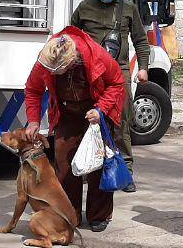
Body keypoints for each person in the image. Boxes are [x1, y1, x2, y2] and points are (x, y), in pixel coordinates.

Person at [23, 27, 128, 232]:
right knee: (64, 166)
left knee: (98, 165)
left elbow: (117, 83)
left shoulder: (96, 55)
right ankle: (70, 214)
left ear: (72, 62)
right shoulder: (48, 57)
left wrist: (101, 110)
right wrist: (33, 121)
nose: (51, 74)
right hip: (66, 112)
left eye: (56, 72)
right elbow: (33, 89)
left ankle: (99, 215)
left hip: (96, 111)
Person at [70, 0, 150, 192]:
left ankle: (125, 171)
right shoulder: (84, 8)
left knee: (121, 121)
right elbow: (71, 39)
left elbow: (141, 41)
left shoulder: (128, 8)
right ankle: (90, 167)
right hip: (90, 73)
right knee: (90, 120)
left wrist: (143, 68)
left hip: (119, 71)